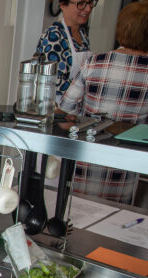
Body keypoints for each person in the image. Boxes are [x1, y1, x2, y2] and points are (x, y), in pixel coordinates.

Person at [58, 1, 148, 204]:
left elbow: (65, 107)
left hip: (88, 158)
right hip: (125, 167)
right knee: (115, 218)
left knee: (77, 213)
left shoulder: (95, 62)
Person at [36, 0, 97, 101]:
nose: (88, 9)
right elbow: (52, 81)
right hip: (57, 105)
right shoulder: (53, 36)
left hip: (76, 104)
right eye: (81, 4)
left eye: (90, 2)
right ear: (63, 5)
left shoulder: (82, 34)